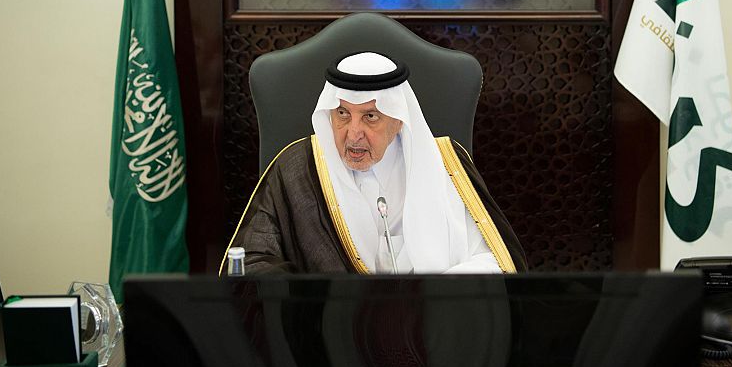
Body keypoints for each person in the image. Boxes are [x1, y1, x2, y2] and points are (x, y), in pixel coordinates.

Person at [221, 51, 526, 275]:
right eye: (342, 114)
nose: (353, 133)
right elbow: (250, 262)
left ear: (398, 119)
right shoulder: (297, 169)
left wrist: (431, 296)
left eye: (370, 116)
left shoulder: (446, 165)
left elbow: (495, 261)